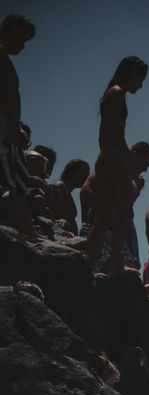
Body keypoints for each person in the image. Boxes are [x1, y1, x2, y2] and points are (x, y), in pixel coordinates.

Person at [84, 55, 148, 275]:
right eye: (140, 79)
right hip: (112, 157)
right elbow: (114, 133)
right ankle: (113, 263)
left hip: (107, 157)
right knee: (126, 214)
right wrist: (126, 159)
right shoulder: (118, 93)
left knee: (102, 216)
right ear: (131, 73)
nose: (141, 85)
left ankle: (87, 263)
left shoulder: (112, 93)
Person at [81, 140, 149, 273]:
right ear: (134, 154)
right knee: (99, 269)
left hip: (115, 235)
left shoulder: (131, 184)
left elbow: (125, 211)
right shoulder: (110, 169)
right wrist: (100, 215)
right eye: (144, 164)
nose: (145, 169)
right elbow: (86, 192)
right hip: (98, 230)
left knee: (129, 268)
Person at [0, 14, 37, 241]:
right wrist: (12, 125)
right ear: (11, 30)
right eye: (22, 40)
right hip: (4, 128)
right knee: (15, 180)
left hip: (8, 126)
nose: (23, 47)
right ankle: (27, 229)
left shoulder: (4, 57)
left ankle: (27, 228)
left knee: (17, 180)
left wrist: (16, 125)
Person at [46, 157, 90, 233]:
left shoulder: (67, 192)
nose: (86, 178)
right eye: (83, 173)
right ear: (71, 172)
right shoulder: (58, 188)